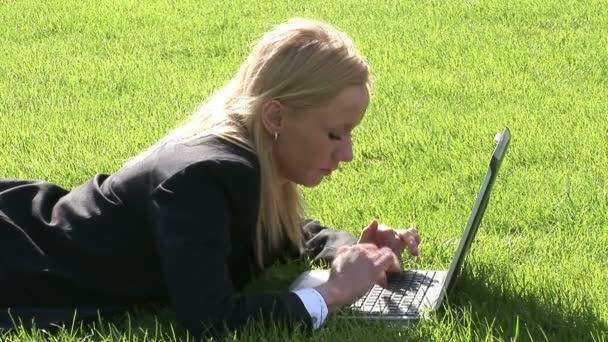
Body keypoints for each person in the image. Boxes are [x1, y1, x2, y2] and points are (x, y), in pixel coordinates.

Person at [0, 18, 421, 338]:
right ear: (275, 116)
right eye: (335, 133)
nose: (346, 154)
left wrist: (353, 251)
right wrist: (331, 294)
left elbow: (286, 234)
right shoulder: (202, 177)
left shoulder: (246, 162)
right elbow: (210, 319)